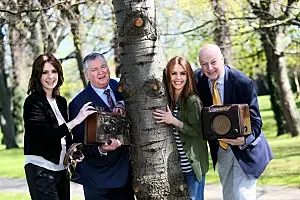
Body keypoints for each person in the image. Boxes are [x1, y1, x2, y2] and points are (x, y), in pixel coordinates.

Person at [195, 44, 274, 200]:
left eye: (213, 62)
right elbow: (177, 79)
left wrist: (244, 139)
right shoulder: (198, 80)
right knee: (230, 196)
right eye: (204, 64)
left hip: (246, 150)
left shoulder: (243, 83)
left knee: (242, 195)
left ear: (222, 60)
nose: (209, 68)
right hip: (221, 150)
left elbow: (256, 121)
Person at [23, 53, 95, 200]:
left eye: (54, 71)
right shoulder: (33, 102)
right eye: (45, 72)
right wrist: (77, 120)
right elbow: (45, 136)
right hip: (40, 169)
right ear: (38, 76)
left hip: (61, 169)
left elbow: (63, 135)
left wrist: (73, 151)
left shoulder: (61, 101)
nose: (50, 77)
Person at [68, 52, 134, 200]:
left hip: (124, 175)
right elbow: (79, 144)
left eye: (103, 66)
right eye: (94, 69)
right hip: (97, 178)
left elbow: (134, 104)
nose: (100, 72)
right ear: (87, 75)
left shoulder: (122, 89)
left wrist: (122, 103)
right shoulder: (78, 104)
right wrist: (101, 149)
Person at [153, 56, 209, 200]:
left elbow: (199, 132)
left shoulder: (192, 100)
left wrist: (174, 121)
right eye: (174, 73)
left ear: (188, 75)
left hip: (192, 165)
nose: (178, 78)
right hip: (176, 168)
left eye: (182, 73)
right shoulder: (169, 100)